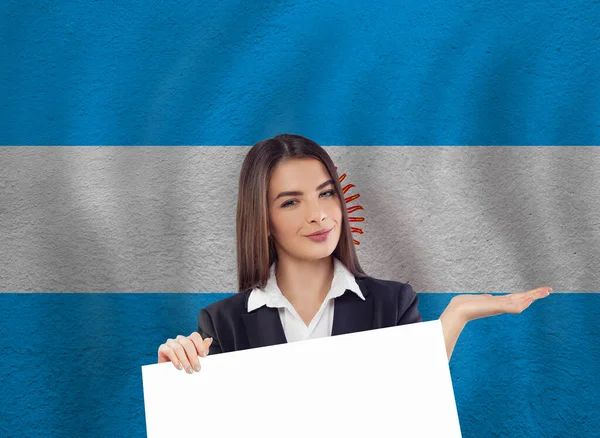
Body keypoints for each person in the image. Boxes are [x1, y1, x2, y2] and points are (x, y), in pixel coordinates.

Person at [157, 134, 551, 374]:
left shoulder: (392, 303)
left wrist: (456, 314)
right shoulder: (221, 322)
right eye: (291, 203)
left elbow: (410, 400)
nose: (318, 216)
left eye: (326, 193)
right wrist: (175, 375)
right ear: (261, 220)